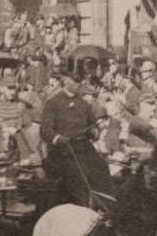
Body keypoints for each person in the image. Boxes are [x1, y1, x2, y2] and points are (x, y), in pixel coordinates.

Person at [40, 73, 114, 208]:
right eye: (75, 80)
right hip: (62, 150)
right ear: (65, 80)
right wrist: (58, 138)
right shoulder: (53, 102)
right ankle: (85, 207)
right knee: (78, 174)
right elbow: (45, 131)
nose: (78, 84)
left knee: (101, 167)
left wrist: (94, 132)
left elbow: (93, 127)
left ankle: (106, 205)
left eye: (79, 81)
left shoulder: (84, 104)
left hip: (83, 147)